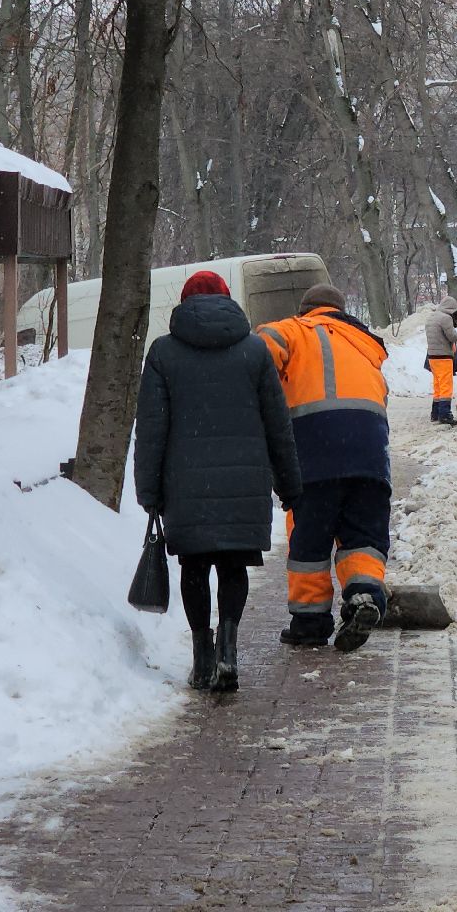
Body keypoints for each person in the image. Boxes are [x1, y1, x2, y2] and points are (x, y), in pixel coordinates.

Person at [135, 270, 303, 692]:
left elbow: (151, 429)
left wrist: (149, 491)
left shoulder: (163, 353)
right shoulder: (254, 351)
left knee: (194, 566)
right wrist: (289, 484)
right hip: (245, 482)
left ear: (184, 304)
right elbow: (277, 424)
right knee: (233, 565)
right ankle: (228, 649)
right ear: (228, 302)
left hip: (185, 485)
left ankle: (202, 657)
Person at [257, 284, 394, 652]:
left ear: (306, 311)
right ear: (340, 311)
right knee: (363, 537)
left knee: (310, 540)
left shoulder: (295, 329)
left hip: (316, 454)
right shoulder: (365, 345)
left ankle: (310, 623)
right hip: (370, 459)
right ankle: (363, 595)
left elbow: (261, 347)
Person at [424, 295, 457, 426]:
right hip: (443, 357)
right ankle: (445, 415)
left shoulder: (432, 317)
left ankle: (435, 413)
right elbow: (452, 336)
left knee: (438, 386)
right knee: (446, 386)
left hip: (432, 357)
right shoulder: (445, 318)